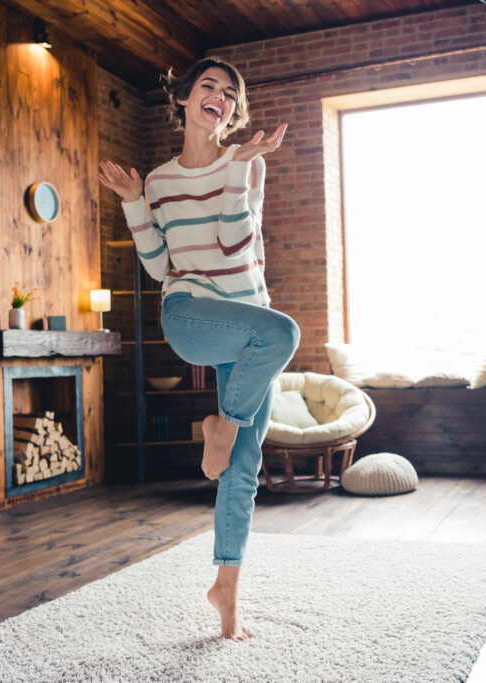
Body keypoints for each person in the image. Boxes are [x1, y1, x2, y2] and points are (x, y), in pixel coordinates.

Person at [97, 57, 298, 641]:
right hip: (188, 314)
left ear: (233, 113)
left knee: (242, 467)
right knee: (285, 333)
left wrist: (238, 168)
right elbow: (161, 265)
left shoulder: (246, 166)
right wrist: (136, 202)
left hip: (248, 322)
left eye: (231, 93)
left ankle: (226, 592)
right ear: (184, 100)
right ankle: (225, 424)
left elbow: (236, 246)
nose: (221, 96)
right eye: (209, 86)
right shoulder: (159, 181)